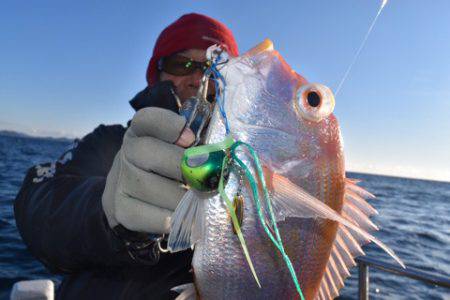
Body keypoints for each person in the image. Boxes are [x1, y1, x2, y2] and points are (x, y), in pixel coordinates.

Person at [14, 13, 239, 300]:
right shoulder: (109, 141)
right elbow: (38, 204)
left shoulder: (250, 172)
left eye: (215, 67)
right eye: (181, 64)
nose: (198, 79)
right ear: (157, 74)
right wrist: (106, 210)